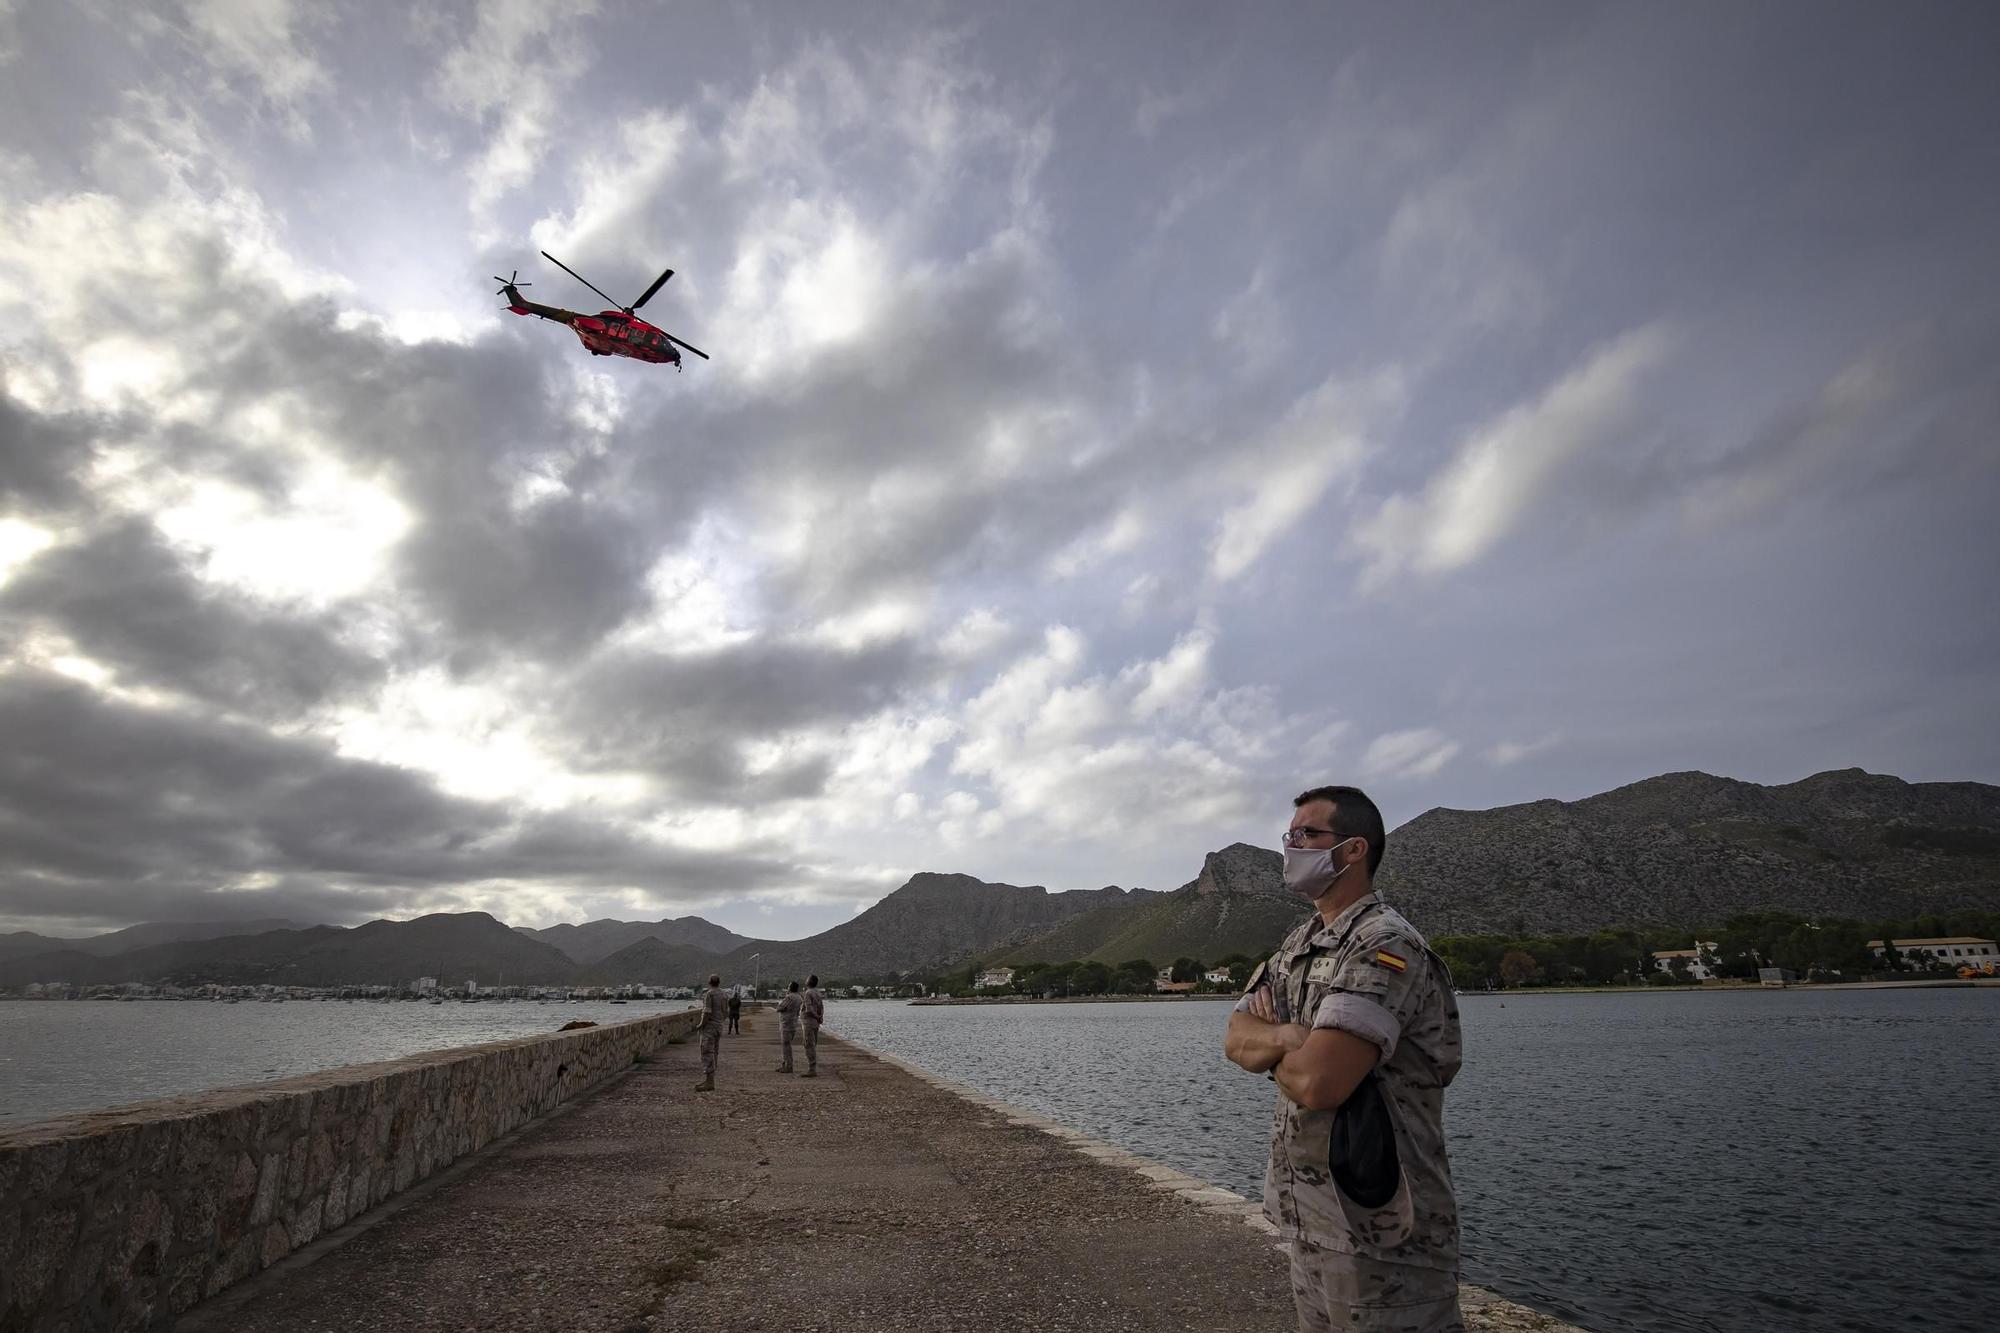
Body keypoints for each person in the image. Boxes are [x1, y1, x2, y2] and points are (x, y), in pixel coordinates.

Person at [1223, 785, 1465, 1333]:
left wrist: (1279, 1051)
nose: (1291, 846)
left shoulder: (1383, 945)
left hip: (1381, 1229)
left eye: (1306, 834)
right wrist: (1290, 1038)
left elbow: (1319, 1083)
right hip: (1308, 1217)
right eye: (1289, 835)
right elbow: (1236, 1038)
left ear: (1353, 850)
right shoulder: (1298, 944)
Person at [695, 974, 729, 1092]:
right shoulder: (724, 994)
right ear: (719, 983)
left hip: (710, 1028)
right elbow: (726, 1012)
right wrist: (719, 1022)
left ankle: (710, 1082)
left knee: (707, 1052)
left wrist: (700, 1025)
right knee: (714, 1052)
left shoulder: (709, 994)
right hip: (719, 1027)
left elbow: (707, 1012)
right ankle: (709, 1080)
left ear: (709, 982)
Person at [800, 974, 825, 1077]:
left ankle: (812, 1069)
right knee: (813, 1045)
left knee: (809, 1045)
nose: (805, 980)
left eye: (807, 979)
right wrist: (820, 1017)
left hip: (809, 1022)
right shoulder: (818, 993)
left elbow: (809, 1009)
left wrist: (816, 1017)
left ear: (809, 982)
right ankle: (812, 1067)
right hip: (815, 1023)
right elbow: (822, 1007)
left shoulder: (808, 993)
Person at [776, 981, 802, 1073]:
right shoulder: (799, 997)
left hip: (786, 1023)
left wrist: (780, 1004)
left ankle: (788, 1066)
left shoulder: (789, 997)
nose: (787, 988)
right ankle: (785, 1064)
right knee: (787, 1045)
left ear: (790, 988)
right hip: (794, 1023)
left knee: (786, 1046)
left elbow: (779, 1008)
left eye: (788, 986)